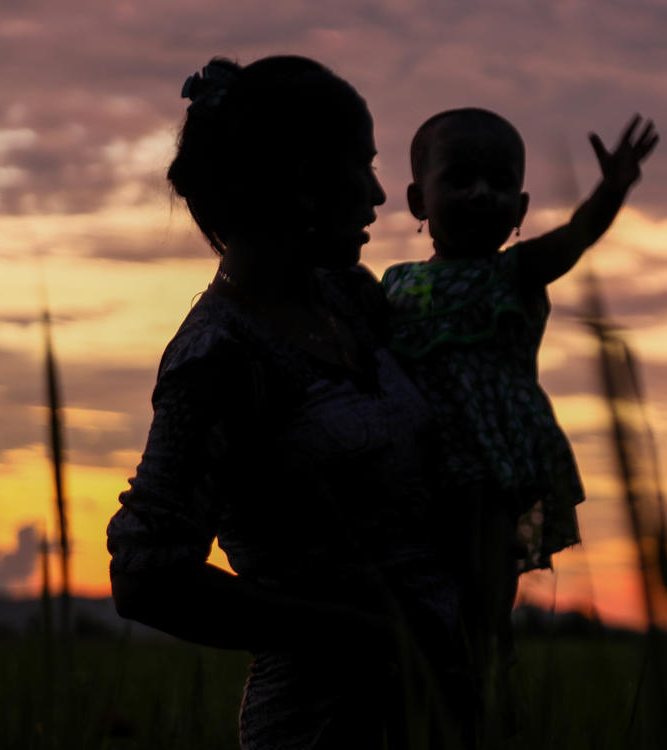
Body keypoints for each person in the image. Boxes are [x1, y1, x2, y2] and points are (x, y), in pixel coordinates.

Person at [107, 56, 468, 749]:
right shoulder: (217, 357)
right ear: (301, 180)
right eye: (360, 165)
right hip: (323, 724)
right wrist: (366, 631)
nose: (378, 195)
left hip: (433, 709)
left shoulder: (351, 299)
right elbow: (146, 578)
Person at [380, 108, 658, 720]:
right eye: (460, 179)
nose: (482, 193)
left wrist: (610, 191)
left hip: (490, 457)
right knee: (421, 575)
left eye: (500, 183)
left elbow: (576, 238)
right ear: (416, 201)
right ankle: (438, 665)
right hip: (421, 459)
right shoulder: (394, 285)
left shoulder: (516, 273)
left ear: (522, 208)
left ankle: (486, 655)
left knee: (483, 565)